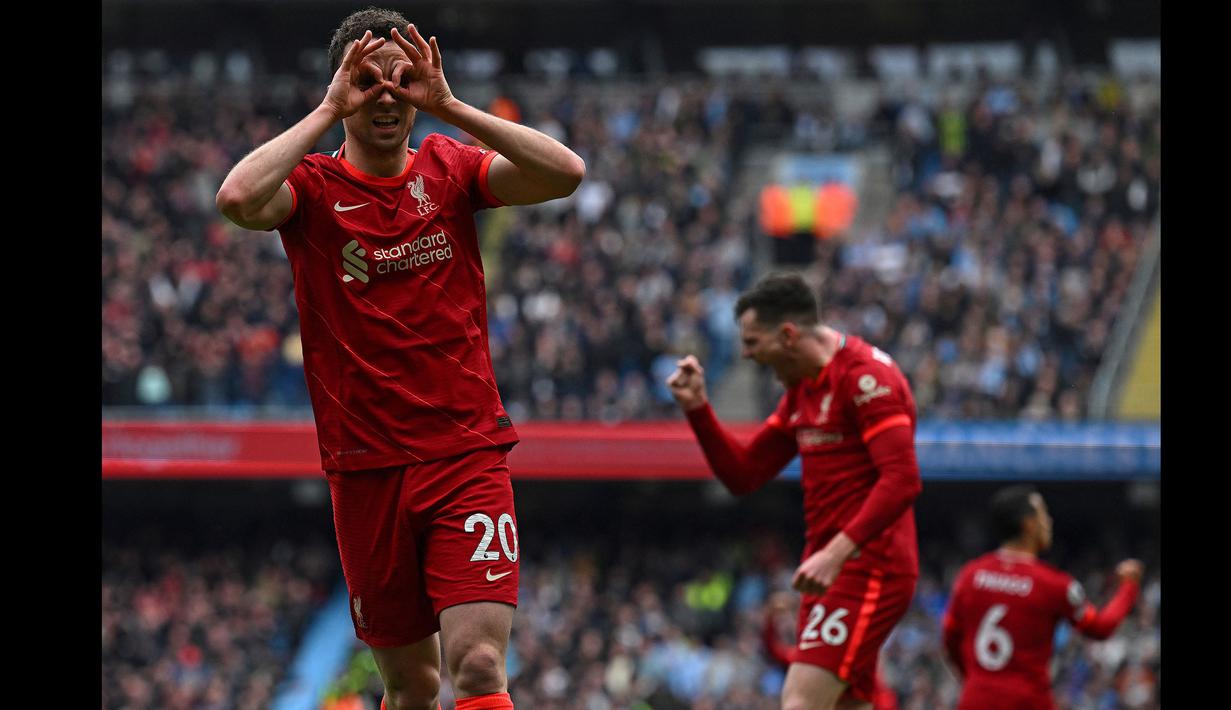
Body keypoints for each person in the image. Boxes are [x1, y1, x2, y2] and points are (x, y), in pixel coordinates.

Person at [215, 8, 585, 710]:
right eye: (367, 80)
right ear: (342, 85)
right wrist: (327, 109)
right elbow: (236, 198)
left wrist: (448, 105)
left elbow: (563, 172)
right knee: (410, 684)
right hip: (365, 468)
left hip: (464, 453)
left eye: (402, 79)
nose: (386, 95)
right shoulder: (315, 190)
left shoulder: (450, 169)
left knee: (476, 664)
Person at [667, 273, 922, 710]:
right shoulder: (802, 392)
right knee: (846, 705)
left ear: (787, 335)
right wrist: (698, 410)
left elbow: (902, 479)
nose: (746, 355)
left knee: (800, 701)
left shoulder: (866, 379)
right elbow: (745, 474)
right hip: (826, 570)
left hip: (868, 566)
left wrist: (836, 553)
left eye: (752, 342)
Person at [941, 486, 1143, 710]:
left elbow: (950, 637)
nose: (1049, 521)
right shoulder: (1053, 584)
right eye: (1043, 515)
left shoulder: (970, 575)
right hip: (1028, 701)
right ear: (1028, 524)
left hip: (976, 700)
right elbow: (1101, 627)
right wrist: (1128, 586)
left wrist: (976, 680)